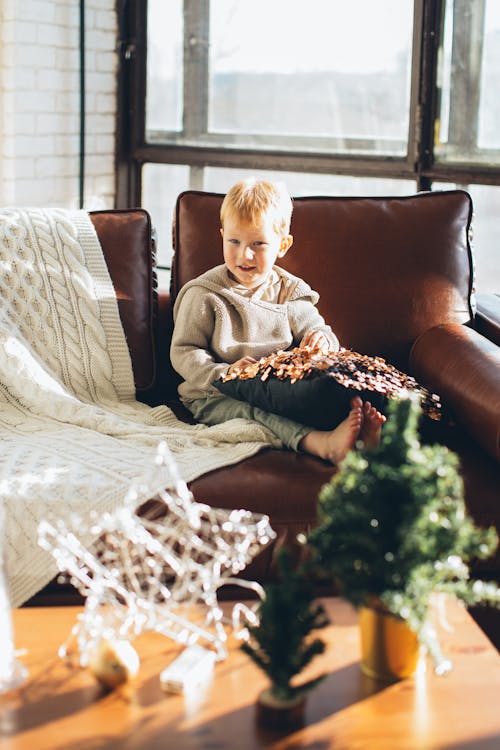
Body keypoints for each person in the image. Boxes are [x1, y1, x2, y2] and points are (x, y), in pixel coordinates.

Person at [170, 178, 385, 465]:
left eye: (258, 244)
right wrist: (223, 373)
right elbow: (184, 351)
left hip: (277, 391)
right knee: (256, 417)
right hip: (214, 395)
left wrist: (322, 340)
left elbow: (320, 330)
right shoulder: (205, 295)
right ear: (221, 236)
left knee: (319, 396)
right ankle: (322, 444)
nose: (244, 254)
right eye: (234, 241)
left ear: (283, 245)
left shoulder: (290, 293)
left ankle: (363, 436)